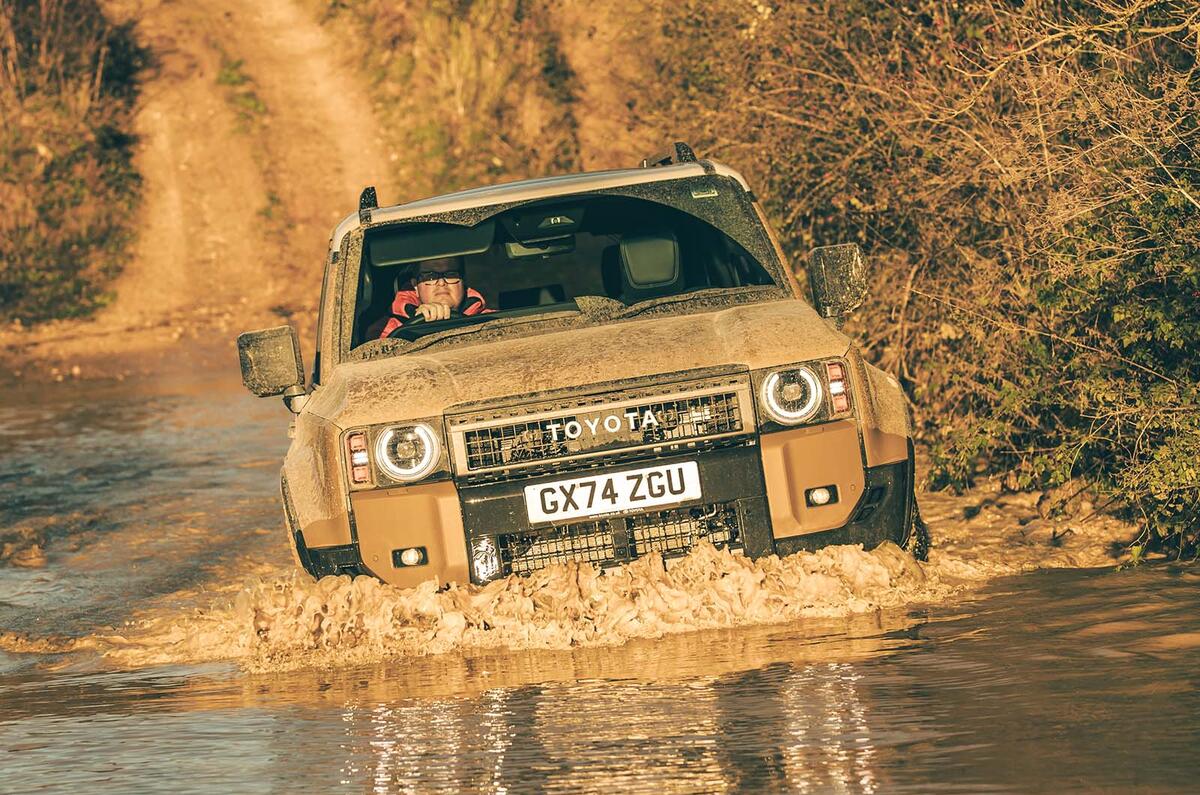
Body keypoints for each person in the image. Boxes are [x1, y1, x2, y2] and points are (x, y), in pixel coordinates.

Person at [377, 255, 491, 338]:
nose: (441, 283)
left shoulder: (491, 321)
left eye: (451, 274)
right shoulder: (389, 330)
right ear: (415, 286)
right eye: (430, 277)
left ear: (463, 282)